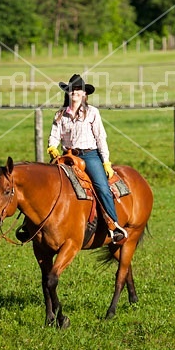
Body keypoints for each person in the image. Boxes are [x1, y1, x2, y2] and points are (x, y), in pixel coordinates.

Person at [47, 74, 128, 244]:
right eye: (71, 89)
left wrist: (106, 161)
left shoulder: (92, 113)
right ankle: (29, 225)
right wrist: (52, 146)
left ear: (84, 94)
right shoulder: (60, 115)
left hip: (89, 155)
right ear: (67, 93)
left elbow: (100, 138)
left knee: (102, 187)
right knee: (47, 184)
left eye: (78, 90)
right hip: (67, 156)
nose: (74, 92)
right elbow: (54, 135)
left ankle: (113, 226)